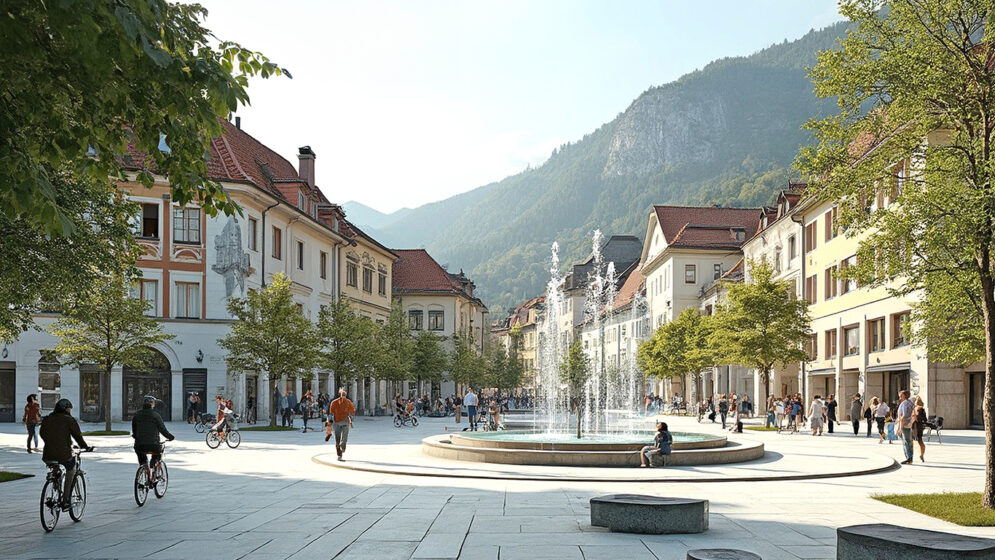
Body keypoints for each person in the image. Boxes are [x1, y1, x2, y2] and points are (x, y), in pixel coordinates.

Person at [39, 399, 91, 509]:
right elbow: (78, 436)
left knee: (55, 465)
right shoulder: (69, 420)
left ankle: (55, 479)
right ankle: (66, 500)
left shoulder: (47, 419)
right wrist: (85, 447)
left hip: (47, 454)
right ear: (66, 409)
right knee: (71, 469)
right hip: (63, 454)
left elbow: (42, 434)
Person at [132, 395, 174, 476]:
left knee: (141, 456)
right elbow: (162, 430)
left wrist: (136, 436)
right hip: (154, 445)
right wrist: (170, 437)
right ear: (152, 404)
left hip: (139, 445)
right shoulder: (156, 415)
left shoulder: (137, 415)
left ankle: (143, 469)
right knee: (157, 453)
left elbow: (134, 430)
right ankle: (153, 464)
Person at [325, 388, 356, 461]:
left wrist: (351, 413)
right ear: (340, 395)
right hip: (337, 422)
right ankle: (339, 452)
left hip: (345, 422)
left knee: (344, 438)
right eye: (343, 395)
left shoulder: (348, 402)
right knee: (337, 439)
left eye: (345, 395)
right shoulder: (334, 402)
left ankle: (342, 448)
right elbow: (331, 413)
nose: (344, 397)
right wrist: (330, 422)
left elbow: (353, 410)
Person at [896, 390, 915, 464]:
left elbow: (904, 415)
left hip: (904, 424)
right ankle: (910, 457)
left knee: (906, 441)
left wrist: (898, 422)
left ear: (905, 396)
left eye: (901, 395)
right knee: (909, 441)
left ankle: (909, 458)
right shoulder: (910, 403)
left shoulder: (904, 403)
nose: (900, 397)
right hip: (909, 424)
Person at [912, 396, 928, 462]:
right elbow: (925, 419)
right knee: (920, 440)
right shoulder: (922, 409)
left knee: (912, 440)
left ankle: (912, 455)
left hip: (913, 426)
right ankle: (921, 454)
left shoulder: (914, 409)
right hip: (920, 426)